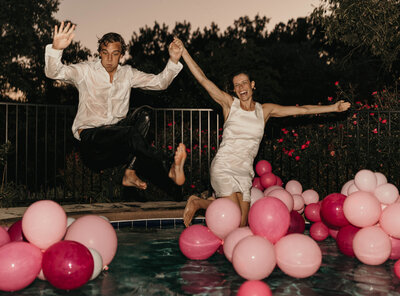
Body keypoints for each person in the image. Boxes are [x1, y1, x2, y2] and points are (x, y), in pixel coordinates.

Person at [173, 37, 351, 227]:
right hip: (224, 166)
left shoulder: (264, 110)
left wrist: (333, 108)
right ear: (234, 90)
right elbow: (203, 79)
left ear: (252, 85)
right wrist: (184, 52)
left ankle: (202, 204)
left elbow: (302, 110)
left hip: (244, 172)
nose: (242, 88)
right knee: (231, 218)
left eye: (245, 83)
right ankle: (198, 202)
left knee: (241, 225)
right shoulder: (229, 105)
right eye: (237, 85)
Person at [45, 22, 187, 194]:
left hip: (116, 137)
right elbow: (54, 73)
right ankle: (168, 162)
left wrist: (173, 60)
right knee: (129, 133)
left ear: (121, 55)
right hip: (92, 141)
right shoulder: (85, 71)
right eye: (105, 53)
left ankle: (130, 172)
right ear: (99, 53)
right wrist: (55, 49)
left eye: (115, 54)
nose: (109, 59)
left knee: (145, 114)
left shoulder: (128, 73)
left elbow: (160, 83)